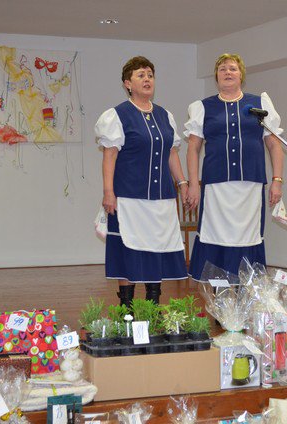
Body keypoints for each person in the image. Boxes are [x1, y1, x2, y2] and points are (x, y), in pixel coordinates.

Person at [95, 56, 188, 306]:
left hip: (162, 198)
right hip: (128, 197)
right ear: (128, 83)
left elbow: (171, 153)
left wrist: (182, 184)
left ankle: (152, 305)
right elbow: (109, 156)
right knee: (129, 250)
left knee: (156, 249)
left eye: (150, 75)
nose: (147, 79)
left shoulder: (165, 116)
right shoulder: (117, 115)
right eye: (140, 75)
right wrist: (108, 192)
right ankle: (126, 307)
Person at [184, 53, 284, 281]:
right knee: (215, 235)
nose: (227, 72)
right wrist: (193, 184)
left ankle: (244, 292)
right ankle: (219, 295)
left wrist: (277, 181)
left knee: (248, 236)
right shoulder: (203, 107)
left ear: (241, 75)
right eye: (222, 69)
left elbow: (274, 144)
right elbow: (193, 148)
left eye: (232, 68)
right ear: (216, 76)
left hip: (250, 184)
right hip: (216, 186)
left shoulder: (259, 104)